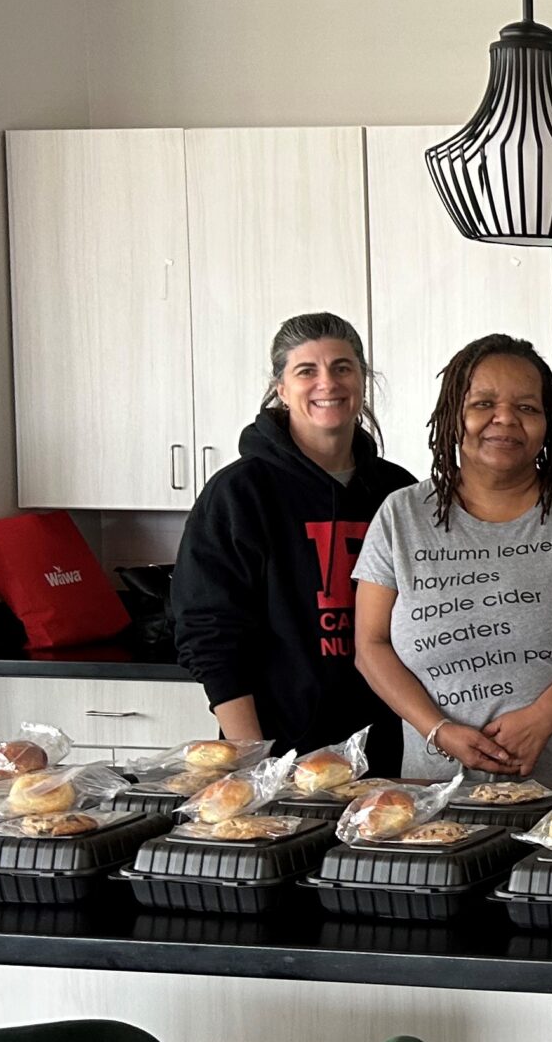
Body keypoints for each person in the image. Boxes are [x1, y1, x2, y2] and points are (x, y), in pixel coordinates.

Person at [354, 334, 552, 785]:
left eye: (527, 408)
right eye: (483, 403)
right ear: (453, 415)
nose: (504, 419)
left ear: (547, 423)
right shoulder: (400, 516)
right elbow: (370, 648)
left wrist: (543, 717)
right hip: (437, 795)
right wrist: (439, 731)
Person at [171, 312, 418, 772]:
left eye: (342, 367)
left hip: (389, 751)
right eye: (307, 371)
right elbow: (209, 636)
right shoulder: (239, 493)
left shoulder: (397, 492)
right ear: (281, 389)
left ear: (363, 380)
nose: (328, 382)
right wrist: (256, 763)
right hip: (278, 754)